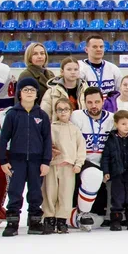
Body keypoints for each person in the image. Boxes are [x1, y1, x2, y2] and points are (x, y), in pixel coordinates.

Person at [0, 76, 52, 236]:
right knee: (15, 192)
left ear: (37, 94)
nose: (29, 92)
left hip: (36, 161)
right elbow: (4, 138)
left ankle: (35, 222)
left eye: (33, 90)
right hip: (17, 160)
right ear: (19, 93)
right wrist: (3, 160)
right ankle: (12, 223)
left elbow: (47, 139)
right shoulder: (12, 114)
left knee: (35, 192)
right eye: (25, 90)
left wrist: (46, 161)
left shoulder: (42, 115)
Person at [70, 87, 115, 228]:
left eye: (97, 101)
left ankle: (117, 211)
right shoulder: (76, 116)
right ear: (84, 102)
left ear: (103, 101)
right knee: (93, 174)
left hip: (105, 163)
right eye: (89, 102)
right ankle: (83, 213)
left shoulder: (112, 118)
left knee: (98, 221)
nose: (93, 105)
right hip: (83, 162)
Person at [43, 98, 86, 235]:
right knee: (49, 193)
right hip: (52, 166)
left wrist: (78, 163)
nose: (63, 112)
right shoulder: (50, 128)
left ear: (71, 111)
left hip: (68, 166)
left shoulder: (74, 130)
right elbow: (44, 144)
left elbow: (81, 148)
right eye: (60, 109)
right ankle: (49, 218)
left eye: (66, 109)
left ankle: (62, 220)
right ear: (55, 111)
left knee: (66, 194)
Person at [80, 35, 121, 99]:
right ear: (86, 49)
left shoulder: (113, 68)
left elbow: (119, 92)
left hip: (110, 107)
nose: (99, 49)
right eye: (95, 47)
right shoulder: (79, 68)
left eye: (101, 47)